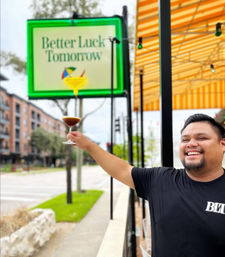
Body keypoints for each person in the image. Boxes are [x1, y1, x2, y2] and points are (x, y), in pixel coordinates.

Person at [67, 113, 225, 257]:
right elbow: (121, 170)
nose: (191, 143)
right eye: (185, 139)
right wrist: (89, 145)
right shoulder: (160, 179)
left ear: (222, 144)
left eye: (201, 138)